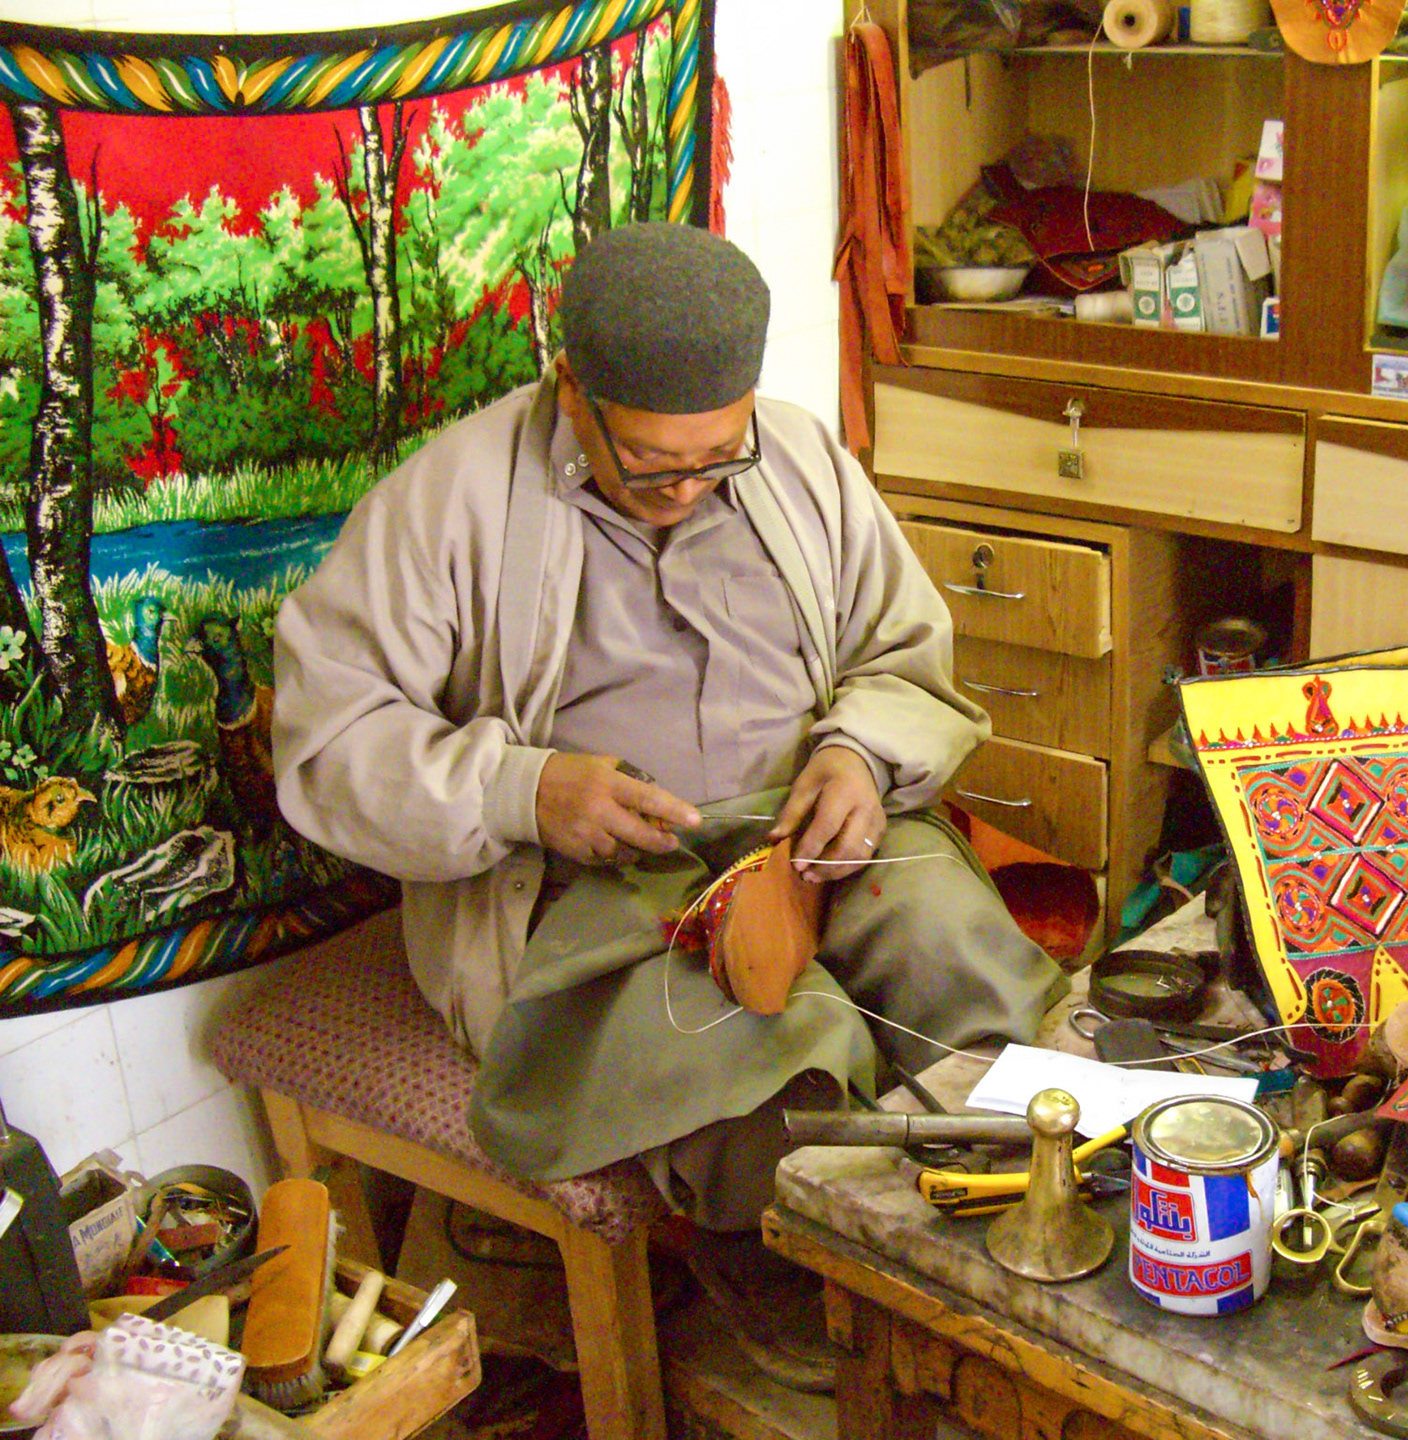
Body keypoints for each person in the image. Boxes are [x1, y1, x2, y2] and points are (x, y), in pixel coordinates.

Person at [273, 223, 1067, 1390]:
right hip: (579, 880)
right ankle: (777, 1269)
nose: (686, 491)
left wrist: (857, 752)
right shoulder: (446, 504)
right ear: (570, 394)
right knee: (772, 1060)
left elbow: (902, 651)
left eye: (717, 459)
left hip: (810, 826)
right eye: (649, 465)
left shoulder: (794, 460)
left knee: (966, 961)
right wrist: (523, 787)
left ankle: (1000, 1232)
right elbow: (326, 743)